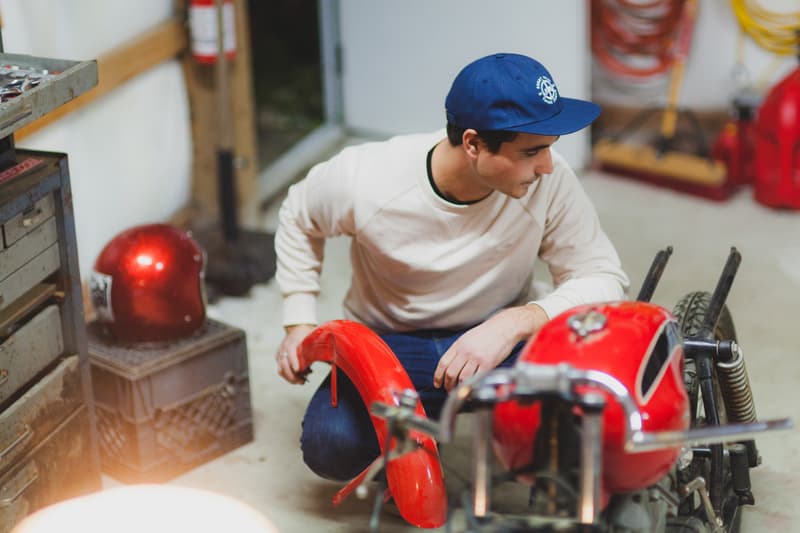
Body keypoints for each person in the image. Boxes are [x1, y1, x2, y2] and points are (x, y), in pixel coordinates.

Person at [273, 52, 630, 481]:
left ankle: (459, 421)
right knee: (332, 446)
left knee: (595, 422)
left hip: (499, 340)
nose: (547, 166)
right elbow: (298, 214)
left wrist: (515, 322)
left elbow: (603, 277)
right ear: (474, 144)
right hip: (392, 343)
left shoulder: (550, 181)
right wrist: (297, 319)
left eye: (550, 149)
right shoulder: (365, 179)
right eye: (532, 152)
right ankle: (415, 427)